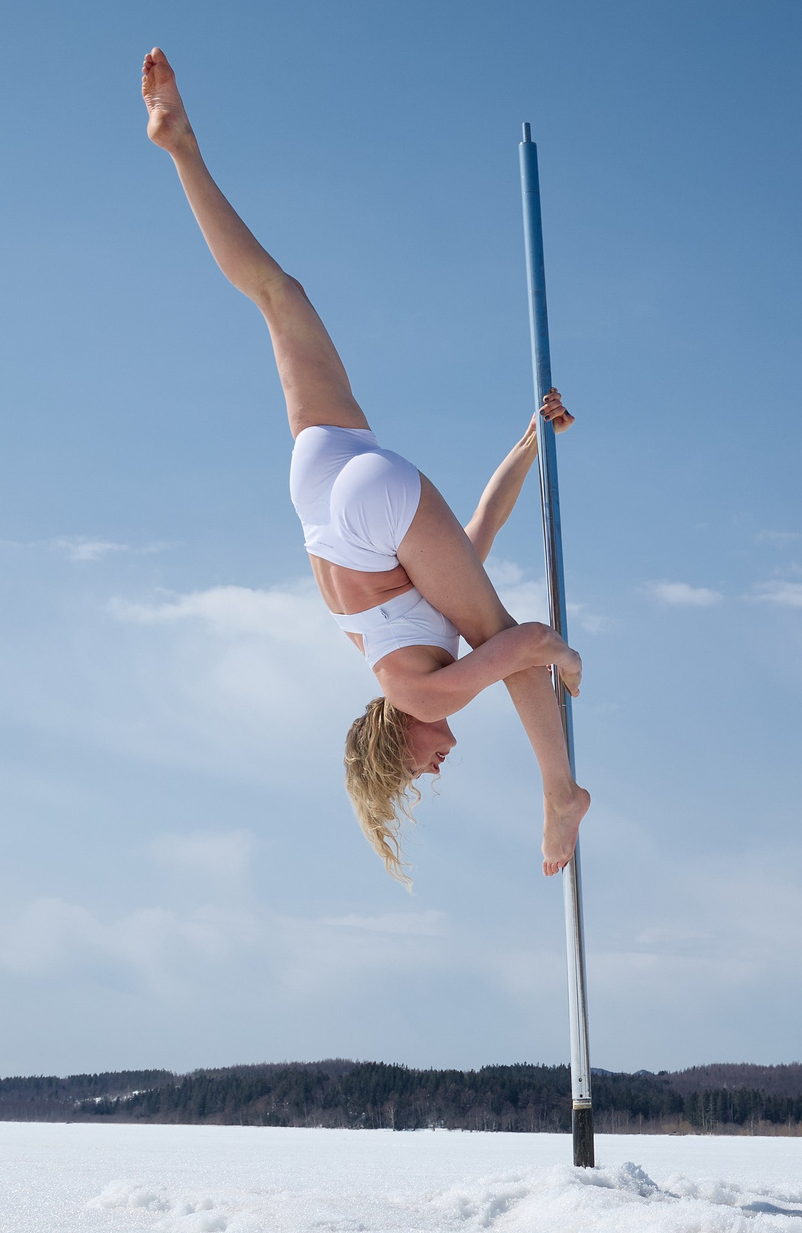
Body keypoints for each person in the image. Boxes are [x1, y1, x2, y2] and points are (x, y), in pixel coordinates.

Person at [142, 48, 592, 882]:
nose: (436, 767)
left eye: (417, 770)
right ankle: (181, 148)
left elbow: (524, 640)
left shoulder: (422, 692)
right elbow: (480, 527)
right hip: (321, 491)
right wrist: (531, 440)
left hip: (364, 511)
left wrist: (560, 658)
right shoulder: (399, 640)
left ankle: (559, 794)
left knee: (504, 639)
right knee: (278, 293)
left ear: (399, 739)